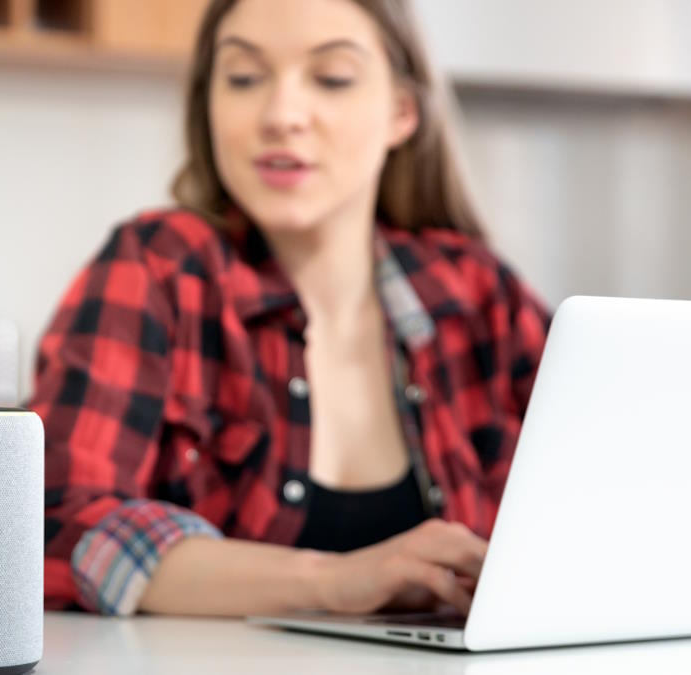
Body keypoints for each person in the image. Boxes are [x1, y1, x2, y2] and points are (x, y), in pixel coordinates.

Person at [28, 0, 551, 618]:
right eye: (244, 78)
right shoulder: (159, 268)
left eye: (332, 78)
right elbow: (48, 523)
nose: (281, 116)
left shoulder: (480, 294)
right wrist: (335, 581)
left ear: (402, 113)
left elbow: (617, 503)